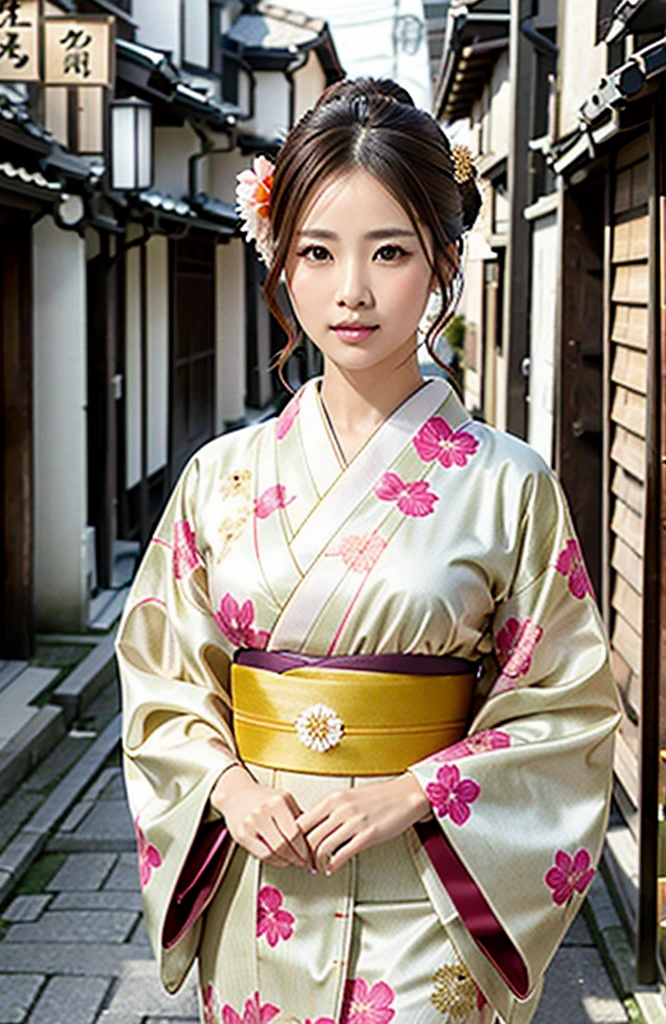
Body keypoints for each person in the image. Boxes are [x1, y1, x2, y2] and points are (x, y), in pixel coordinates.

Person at [115, 78, 621, 1024]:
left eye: (389, 251)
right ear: (280, 261)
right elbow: (161, 678)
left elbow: (568, 707)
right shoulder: (218, 476)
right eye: (317, 251)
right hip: (256, 881)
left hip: (428, 890)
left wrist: (420, 789)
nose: (351, 290)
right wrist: (222, 781)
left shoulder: (510, 483)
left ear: (441, 262)